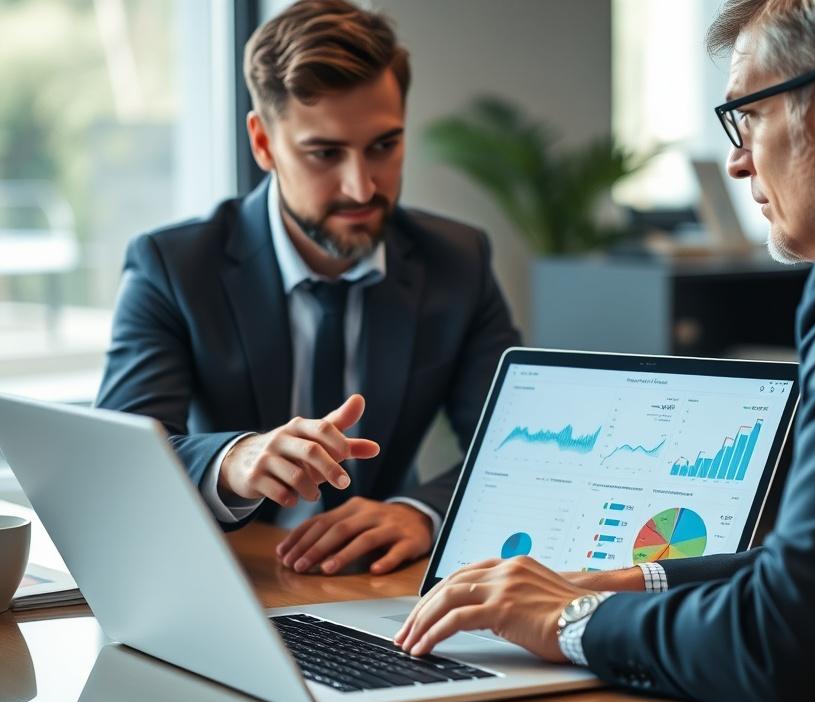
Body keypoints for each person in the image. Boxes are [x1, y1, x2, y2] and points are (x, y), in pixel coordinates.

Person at [395, 0, 815, 702]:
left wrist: (567, 619)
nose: (736, 159)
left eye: (747, 116)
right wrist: (632, 580)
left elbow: (786, 646)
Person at [96, 0, 519, 577]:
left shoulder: (458, 261)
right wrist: (232, 460)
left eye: (383, 146)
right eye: (325, 153)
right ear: (264, 144)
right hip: (224, 580)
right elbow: (119, 462)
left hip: (383, 589)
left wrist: (422, 511)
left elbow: (514, 446)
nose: (362, 186)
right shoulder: (171, 266)